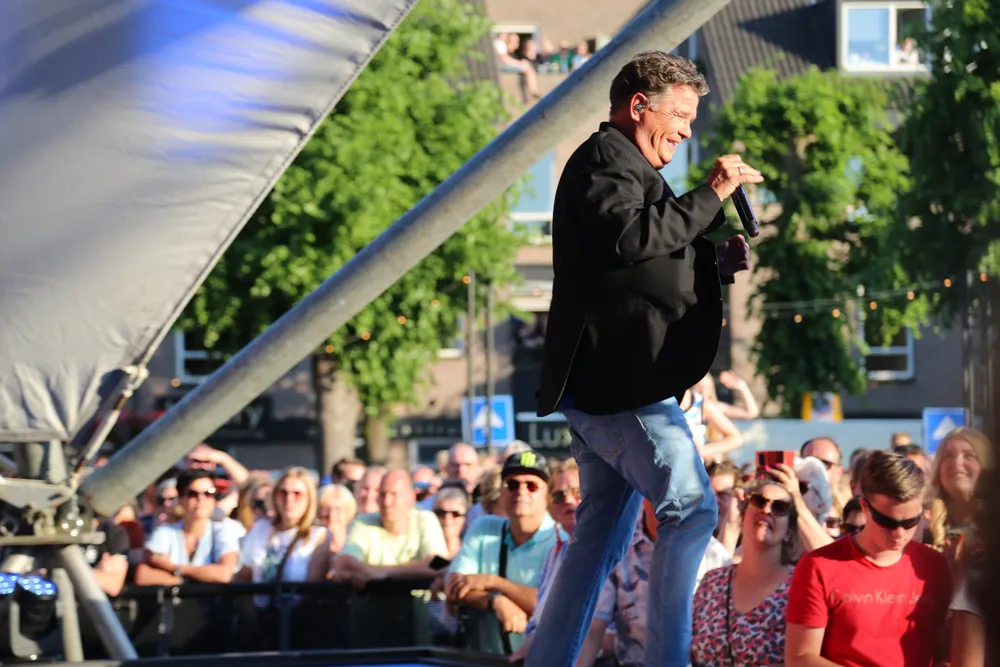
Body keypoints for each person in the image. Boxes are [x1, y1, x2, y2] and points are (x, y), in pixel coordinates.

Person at [527, 50, 762, 667]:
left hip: (608, 384)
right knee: (693, 510)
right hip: (619, 385)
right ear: (639, 106)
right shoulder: (605, 160)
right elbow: (634, 238)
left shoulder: (620, 166)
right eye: (680, 116)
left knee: (598, 543)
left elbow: (637, 263)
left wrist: (711, 261)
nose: (686, 132)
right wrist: (712, 193)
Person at [785, 450, 952, 667]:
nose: (899, 533)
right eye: (887, 521)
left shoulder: (933, 566)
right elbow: (800, 658)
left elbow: (945, 654)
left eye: (910, 522)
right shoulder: (818, 566)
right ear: (864, 507)